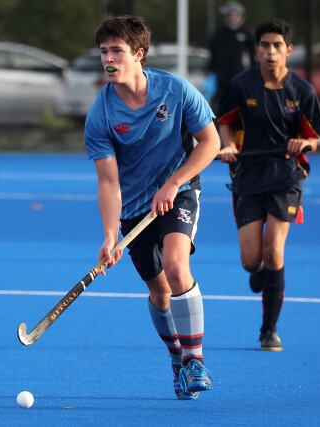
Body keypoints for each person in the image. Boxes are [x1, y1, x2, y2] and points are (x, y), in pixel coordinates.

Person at [84, 15, 220, 400]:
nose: (108, 59)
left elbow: (210, 142)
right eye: (103, 52)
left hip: (179, 191)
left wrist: (174, 182)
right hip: (134, 210)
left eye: (117, 51)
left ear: (138, 54)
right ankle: (177, 359)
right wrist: (110, 235)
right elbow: (108, 183)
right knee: (160, 294)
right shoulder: (101, 115)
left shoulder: (175, 90)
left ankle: (195, 361)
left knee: (177, 266)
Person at [216, 19, 320, 351]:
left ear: (288, 50)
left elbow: (313, 137)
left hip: (286, 178)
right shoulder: (240, 85)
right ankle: (261, 269)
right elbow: (225, 121)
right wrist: (228, 145)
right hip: (247, 176)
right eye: (264, 45)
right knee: (251, 261)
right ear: (256, 50)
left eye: (277, 45)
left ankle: (269, 330)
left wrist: (304, 143)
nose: (270, 51)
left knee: (274, 250)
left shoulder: (302, 91)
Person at [208, 1, 256, 110]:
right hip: (222, 78)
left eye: (235, 15)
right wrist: (211, 71)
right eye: (230, 15)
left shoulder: (246, 33)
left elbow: (253, 54)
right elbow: (213, 55)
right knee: (221, 105)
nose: (232, 17)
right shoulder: (219, 34)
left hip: (240, 75)